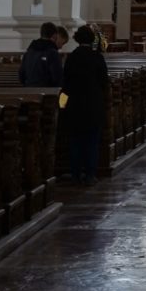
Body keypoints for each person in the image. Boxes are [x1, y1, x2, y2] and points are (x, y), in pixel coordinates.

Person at [62, 24, 109, 184]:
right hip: (93, 103)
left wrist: (62, 106)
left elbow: (65, 83)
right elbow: (104, 82)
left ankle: (75, 174)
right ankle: (90, 174)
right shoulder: (97, 57)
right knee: (92, 141)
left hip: (74, 104)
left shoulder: (72, 57)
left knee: (75, 141)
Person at [18, 21, 67, 87]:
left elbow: (21, 76)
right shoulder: (52, 53)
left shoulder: (29, 51)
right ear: (54, 36)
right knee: (66, 95)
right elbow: (57, 78)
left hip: (28, 91)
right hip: (48, 93)